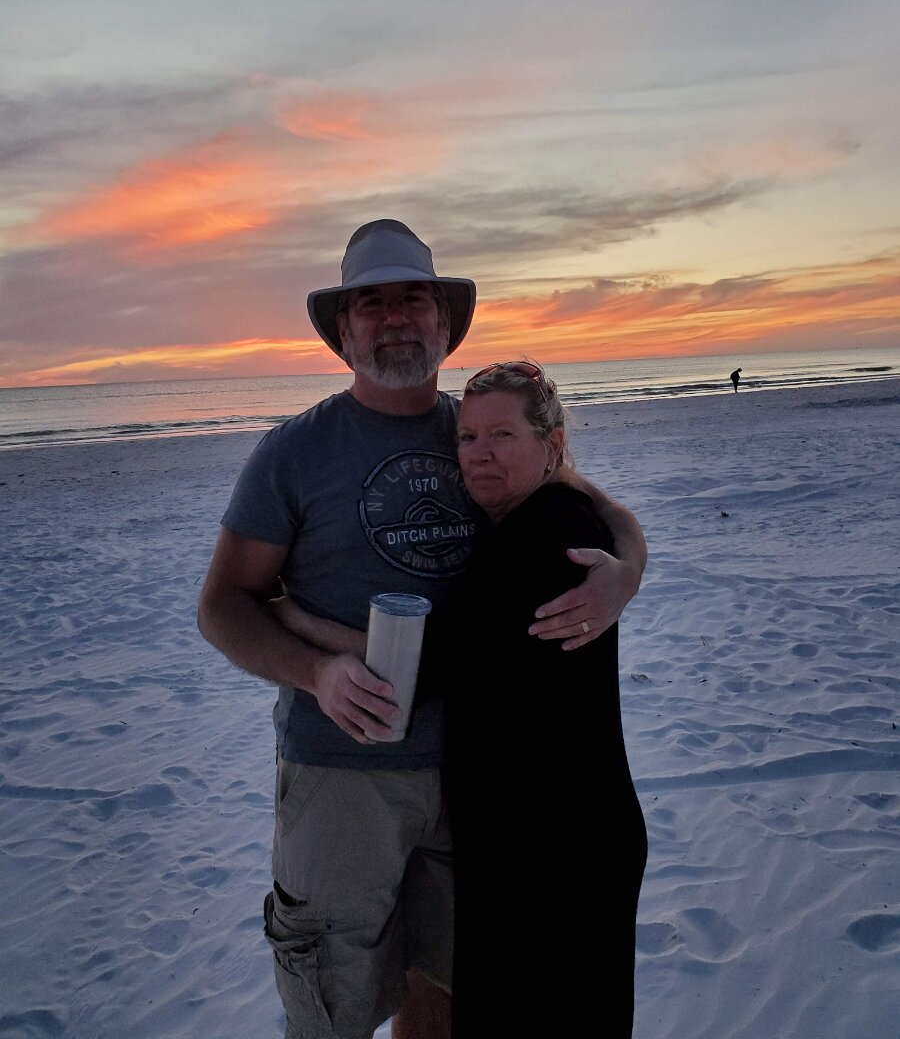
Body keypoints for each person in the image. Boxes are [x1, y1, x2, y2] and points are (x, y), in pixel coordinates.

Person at [196, 219, 648, 1039]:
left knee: (445, 991)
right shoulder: (293, 452)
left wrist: (629, 565)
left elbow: (580, 490)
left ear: (446, 323)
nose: (396, 318)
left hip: (479, 777)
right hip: (342, 773)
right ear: (343, 331)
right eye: (372, 303)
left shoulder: (473, 424)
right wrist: (315, 671)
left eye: (415, 299)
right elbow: (224, 604)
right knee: (329, 1007)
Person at [276, 359, 648, 1036]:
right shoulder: (549, 517)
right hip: (559, 831)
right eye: (468, 437)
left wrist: (293, 617)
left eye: (502, 436)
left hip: (555, 851)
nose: (479, 455)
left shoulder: (543, 540)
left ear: (551, 444)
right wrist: (632, 557)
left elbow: (422, 666)